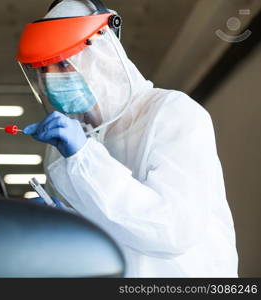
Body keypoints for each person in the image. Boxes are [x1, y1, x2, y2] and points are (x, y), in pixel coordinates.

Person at [16, 0, 238, 277]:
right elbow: (102, 234)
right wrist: (63, 221)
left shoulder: (172, 114)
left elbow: (172, 230)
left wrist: (85, 159)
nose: (51, 79)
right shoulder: (67, 142)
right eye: (42, 69)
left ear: (103, 54)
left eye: (63, 63)